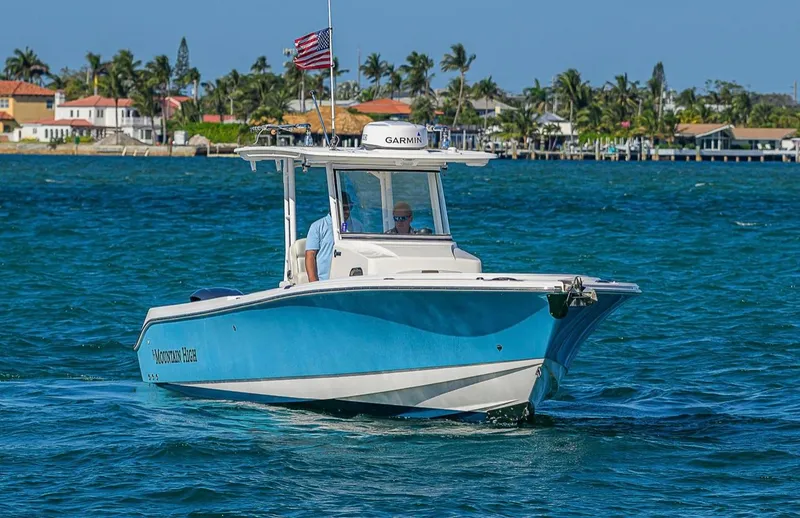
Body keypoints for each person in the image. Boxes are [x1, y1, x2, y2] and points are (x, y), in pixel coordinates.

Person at [305, 192, 362, 282]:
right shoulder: (317, 227)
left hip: (351, 280)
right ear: (333, 207)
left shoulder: (357, 225)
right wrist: (313, 282)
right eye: (344, 208)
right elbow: (310, 255)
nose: (347, 211)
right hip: (325, 281)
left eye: (350, 208)